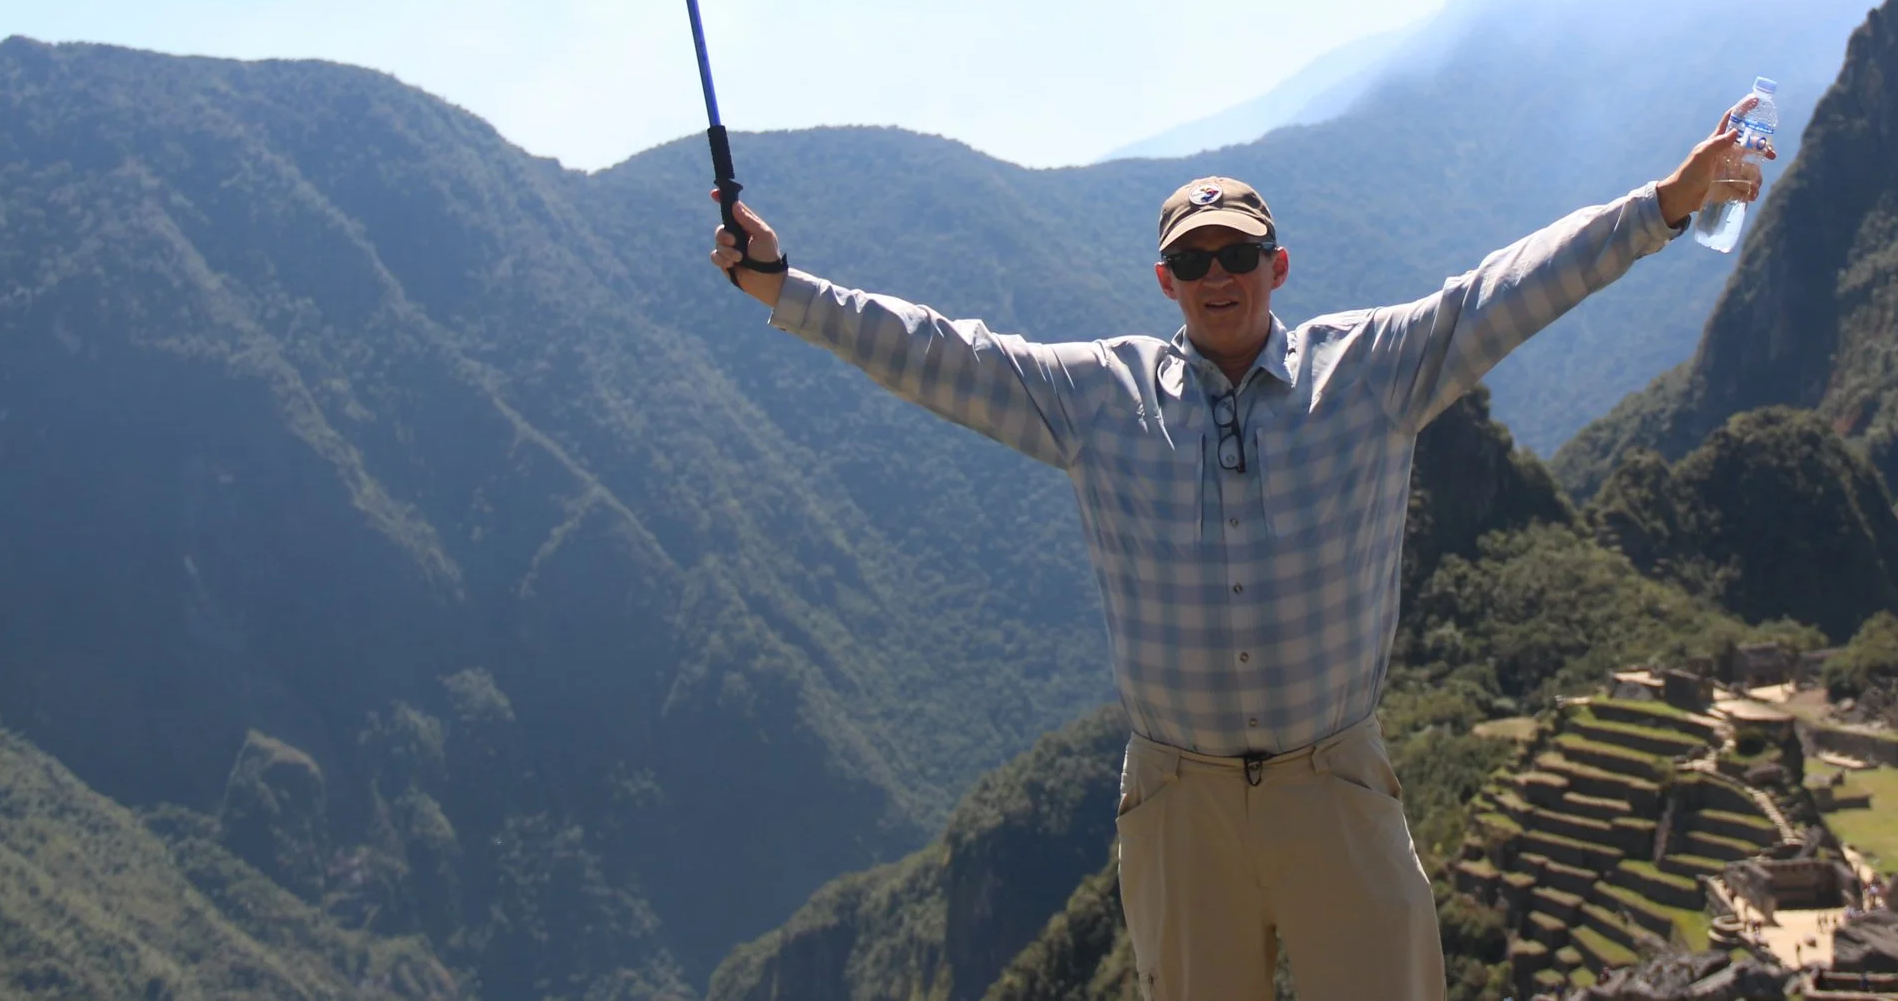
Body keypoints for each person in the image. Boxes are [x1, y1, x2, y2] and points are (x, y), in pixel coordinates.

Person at [712, 112, 1768, 1001]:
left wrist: (1666, 203)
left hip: (1335, 779)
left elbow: (1511, 288)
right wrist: (784, 289)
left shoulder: (1369, 372)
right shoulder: (1097, 399)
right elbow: (939, 353)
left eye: (1237, 255)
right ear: (1164, 279)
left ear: (1278, 265)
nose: (1218, 276)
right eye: (1193, 260)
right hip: (1181, 797)